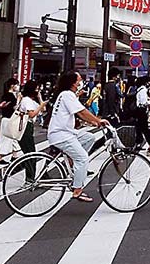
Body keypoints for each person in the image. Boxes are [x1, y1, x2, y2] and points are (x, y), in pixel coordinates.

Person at [41, 71, 109, 201]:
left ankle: (74, 164)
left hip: (66, 132)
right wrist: (98, 120)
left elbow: (81, 114)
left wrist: (94, 121)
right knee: (83, 158)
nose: (81, 82)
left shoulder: (67, 94)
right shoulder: (67, 95)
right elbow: (82, 112)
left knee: (89, 137)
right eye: (79, 80)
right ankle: (77, 189)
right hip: (61, 135)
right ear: (73, 83)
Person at [15, 82, 44, 178]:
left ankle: (16, 169)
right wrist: (40, 105)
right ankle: (30, 178)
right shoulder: (27, 100)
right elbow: (31, 114)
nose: (37, 91)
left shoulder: (31, 101)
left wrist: (40, 99)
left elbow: (43, 109)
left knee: (29, 153)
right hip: (25, 127)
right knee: (31, 154)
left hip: (28, 127)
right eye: (36, 89)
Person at [0, 78, 20, 165]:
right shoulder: (10, 96)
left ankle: (15, 156)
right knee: (7, 138)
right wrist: (19, 100)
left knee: (13, 138)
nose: (18, 87)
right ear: (12, 85)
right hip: (9, 119)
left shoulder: (8, 95)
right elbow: (14, 108)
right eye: (16, 85)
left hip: (7, 119)